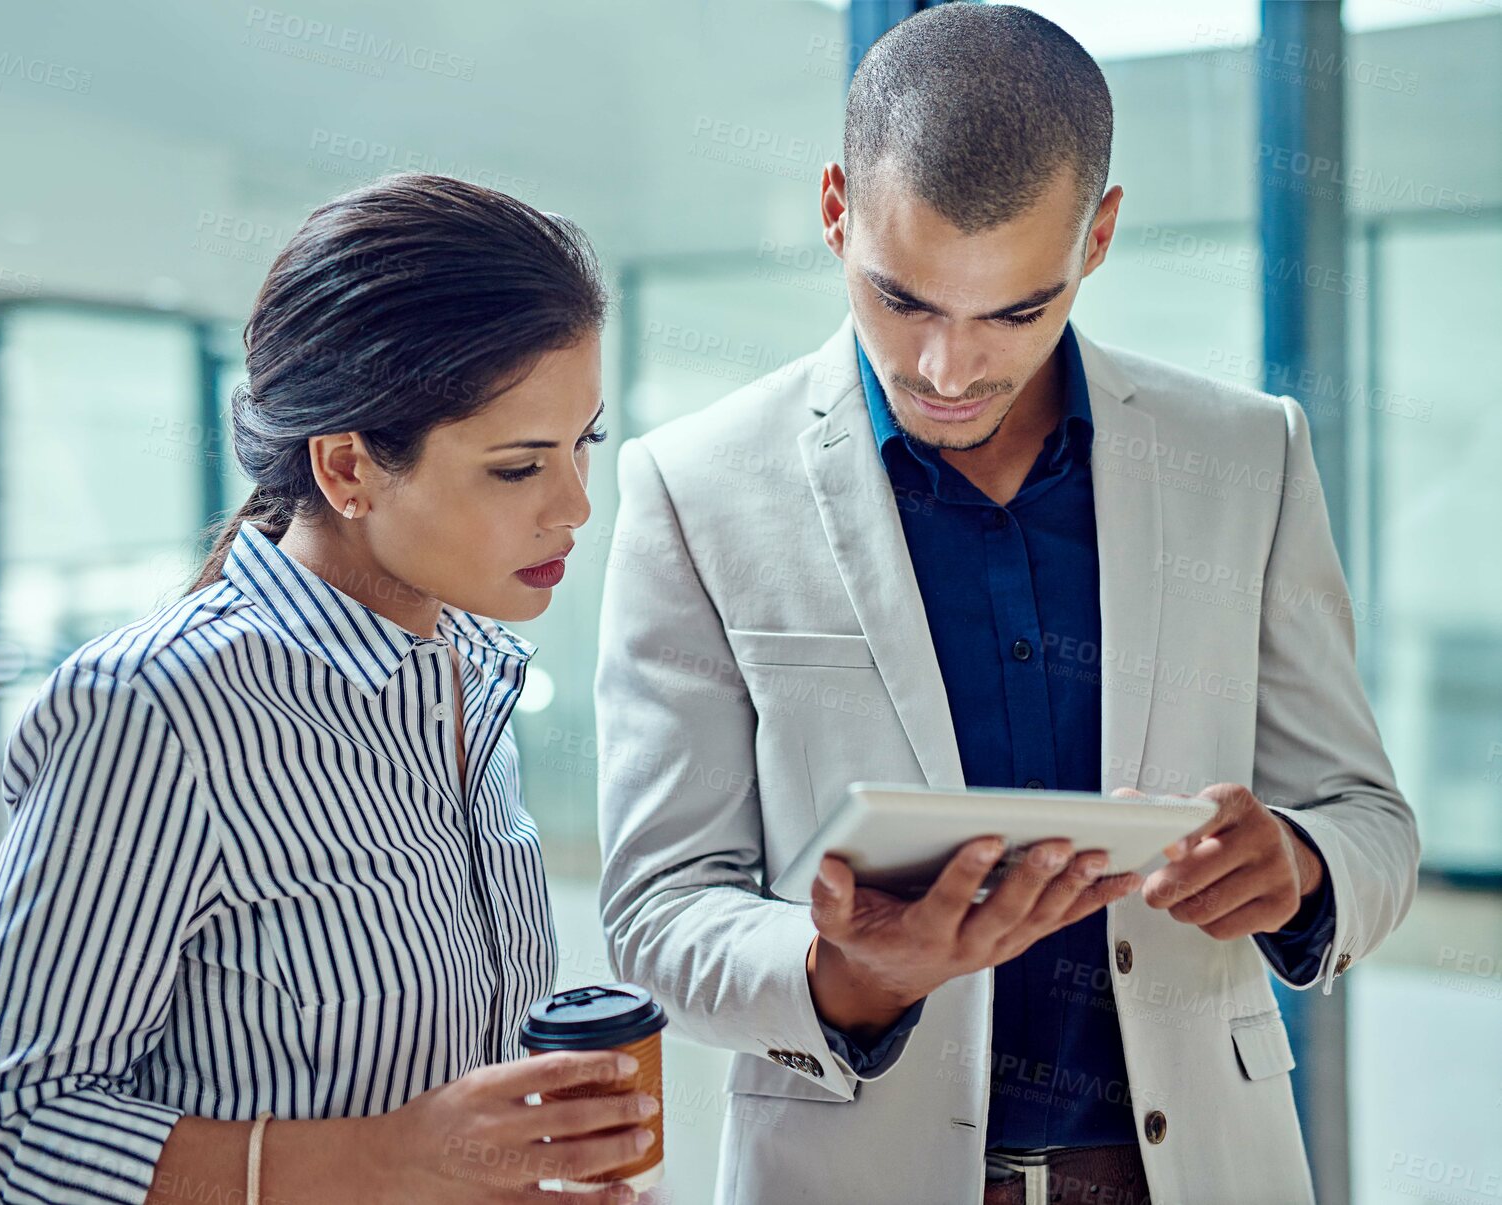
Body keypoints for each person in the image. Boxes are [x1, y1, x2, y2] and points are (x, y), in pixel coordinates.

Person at [593, 6, 1418, 1204]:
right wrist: (842, 971)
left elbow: (1371, 820)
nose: (946, 369)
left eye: (1012, 314)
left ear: (1099, 238)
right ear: (836, 210)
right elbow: (658, 908)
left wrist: (1299, 861)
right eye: (903, 299)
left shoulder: (1245, 454)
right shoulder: (694, 486)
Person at [0, 173, 654, 1204]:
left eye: (582, 444)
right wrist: (385, 1160)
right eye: (514, 467)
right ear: (348, 468)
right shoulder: (155, 711)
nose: (576, 506)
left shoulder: (473, 677)